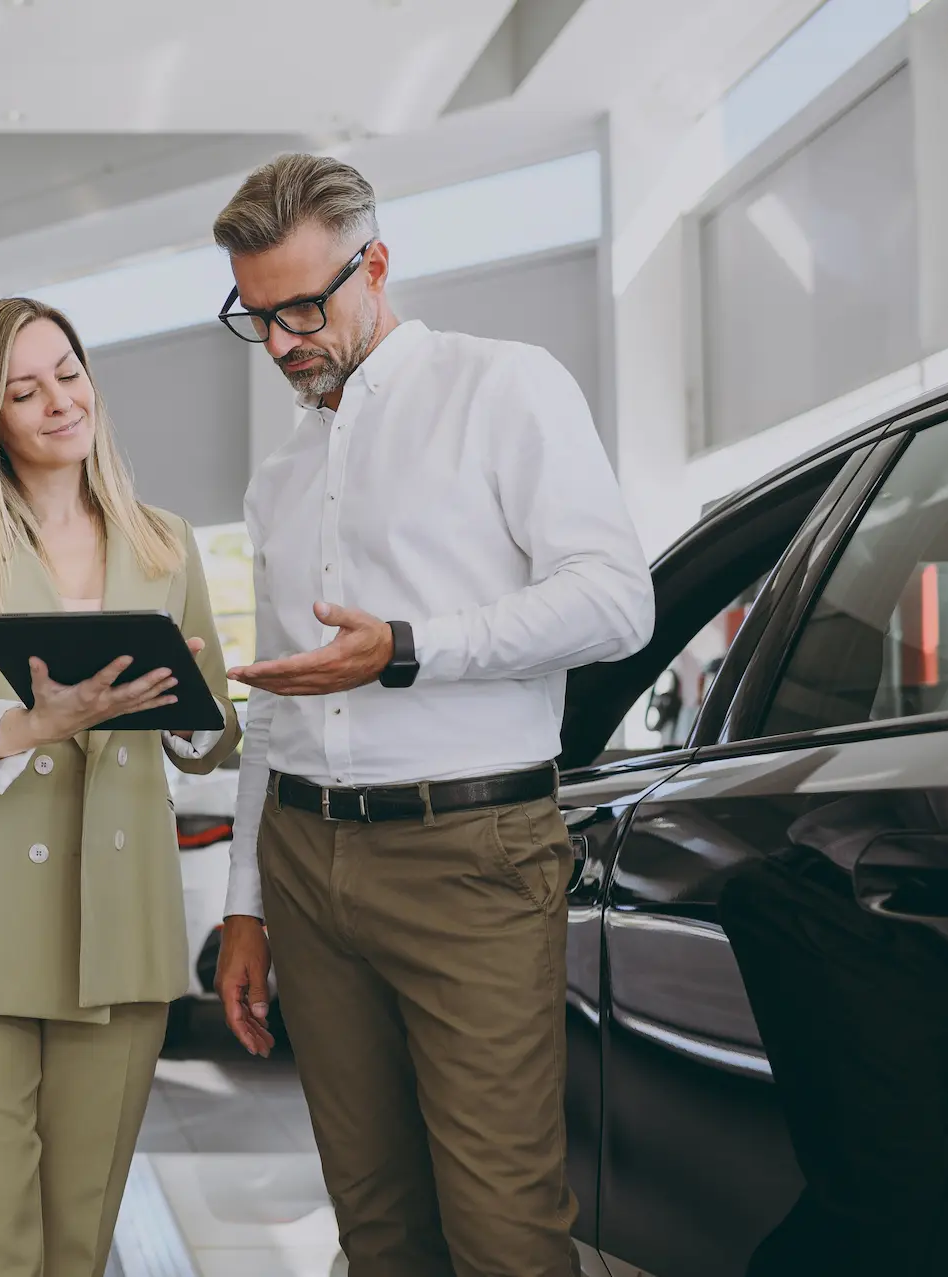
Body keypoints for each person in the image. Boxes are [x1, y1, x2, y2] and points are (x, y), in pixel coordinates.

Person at [209, 154, 654, 1276]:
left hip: (472, 854)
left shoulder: (506, 387)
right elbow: (277, 704)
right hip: (306, 860)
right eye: (256, 317)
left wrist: (408, 650)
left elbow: (615, 601)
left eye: (304, 306)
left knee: (502, 1228)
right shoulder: (279, 475)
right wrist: (249, 903)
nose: (281, 342)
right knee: (375, 1225)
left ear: (379, 264)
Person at [0, 296, 242, 1277]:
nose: (57, 402)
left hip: (119, 930)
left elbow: (211, 741)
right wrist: (34, 723)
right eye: (23, 390)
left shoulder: (166, 542)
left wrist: (189, 699)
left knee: (78, 1242)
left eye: (68, 372)